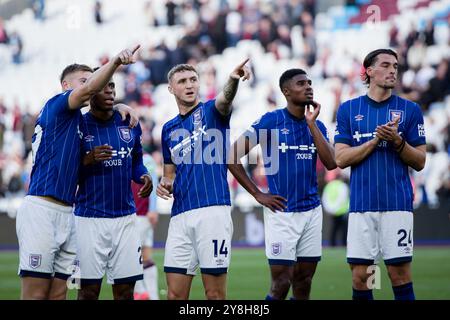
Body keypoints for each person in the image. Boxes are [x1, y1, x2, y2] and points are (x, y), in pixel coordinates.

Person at [15, 45, 140, 300]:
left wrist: (117, 108)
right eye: (84, 80)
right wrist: (115, 61)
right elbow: (91, 92)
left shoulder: (77, 121)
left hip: (67, 213)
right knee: (36, 295)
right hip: (42, 208)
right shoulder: (57, 106)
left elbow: (99, 107)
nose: (92, 84)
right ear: (65, 85)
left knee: (59, 295)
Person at [228, 68, 336, 300]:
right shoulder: (271, 121)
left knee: (304, 281)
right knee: (281, 282)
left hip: (311, 211)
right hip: (282, 212)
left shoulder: (319, 125)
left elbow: (331, 163)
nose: (308, 86)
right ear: (286, 91)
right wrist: (258, 194)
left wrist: (312, 124)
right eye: (300, 83)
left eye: (309, 82)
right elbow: (231, 155)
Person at [334, 48, 426, 300]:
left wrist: (397, 141)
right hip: (362, 206)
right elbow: (340, 158)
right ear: (369, 71)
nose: (392, 70)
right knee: (364, 277)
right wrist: (375, 141)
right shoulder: (349, 110)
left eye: (395, 66)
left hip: (396, 205)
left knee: (398, 274)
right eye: (385, 65)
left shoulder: (410, 110)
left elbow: (420, 161)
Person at [156, 60, 251, 300]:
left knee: (215, 294)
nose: (189, 85)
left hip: (213, 211)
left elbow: (225, 98)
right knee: (175, 295)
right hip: (179, 215)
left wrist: (233, 79)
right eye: (182, 81)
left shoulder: (212, 111)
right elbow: (169, 173)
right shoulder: (167, 129)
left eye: (193, 80)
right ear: (171, 89)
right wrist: (165, 183)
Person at [74, 71, 152, 300]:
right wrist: (86, 160)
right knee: (88, 292)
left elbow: (136, 161)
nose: (110, 91)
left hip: (126, 218)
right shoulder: (78, 126)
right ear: (90, 91)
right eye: (103, 87)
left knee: (126, 291)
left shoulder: (130, 122)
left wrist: (144, 176)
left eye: (112, 86)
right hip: (88, 219)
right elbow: (65, 173)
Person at [132, 153, 160, 300]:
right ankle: (151, 295)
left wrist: (153, 208)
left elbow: (153, 182)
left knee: (134, 254)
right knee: (145, 255)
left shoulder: (147, 159)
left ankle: (141, 291)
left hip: (141, 213)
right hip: (137, 213)